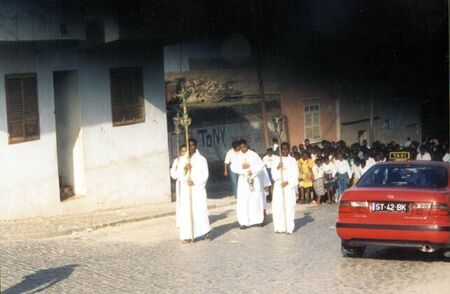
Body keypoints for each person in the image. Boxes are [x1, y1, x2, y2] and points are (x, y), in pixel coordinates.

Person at [176, 139, 213, 243]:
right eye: (189, 145)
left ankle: (206, 232)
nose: (191, 147)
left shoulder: (201, 159)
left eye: (192, 145)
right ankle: (188, 235)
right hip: (186, 189)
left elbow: (205, 175)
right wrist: (185, 169)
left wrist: (195, 182)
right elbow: (179, 174)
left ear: (196, 146)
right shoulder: (183, 159)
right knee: (187, 212)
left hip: (197, 189)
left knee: (200, 210)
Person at [231, 139, 266, 229]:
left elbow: (260, 165)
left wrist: (252, 171)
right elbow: (233, 167)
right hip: (243, 181)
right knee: (244, 200)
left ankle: (258, 220)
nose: (243, 149)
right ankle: (244, 222)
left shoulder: (253, 154)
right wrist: (242, 168)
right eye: (241, 147)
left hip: (254, 179)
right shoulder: (237, 156)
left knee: (255, 199)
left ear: (247, 145)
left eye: (244, 146)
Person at [271, 142, 299, 234]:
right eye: (283, 149)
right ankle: (279, 227)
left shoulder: (293, 160)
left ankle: (289, 228)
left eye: (286, 149)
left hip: (288, 186)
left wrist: (288, 182)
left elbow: (296, 175)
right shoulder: (276, 160)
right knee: (278, 206)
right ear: (280, 150)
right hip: (279, 185)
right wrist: (277, 167)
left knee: (289, 206)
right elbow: (273, 175)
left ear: (289, 149)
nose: (285, 151)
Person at [170, 144, 187, 228]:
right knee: (180, 202)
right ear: (180, 151)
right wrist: (176, 169)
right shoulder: (177, 160)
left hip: (188, 184)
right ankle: (181, 222)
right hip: (180, 184)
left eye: (186, 151)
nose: (184, 153)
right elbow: (173, 174)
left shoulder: (190, 160)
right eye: (183, 151)